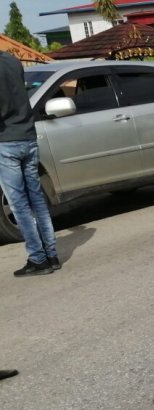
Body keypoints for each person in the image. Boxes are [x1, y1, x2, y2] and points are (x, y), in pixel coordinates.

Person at [0, 52, 60, 277]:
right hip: (28, 137)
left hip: (7, 142)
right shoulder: (12, 60)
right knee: (36, 198)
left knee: (19, 205)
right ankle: (51, 255)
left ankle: (38, 258)